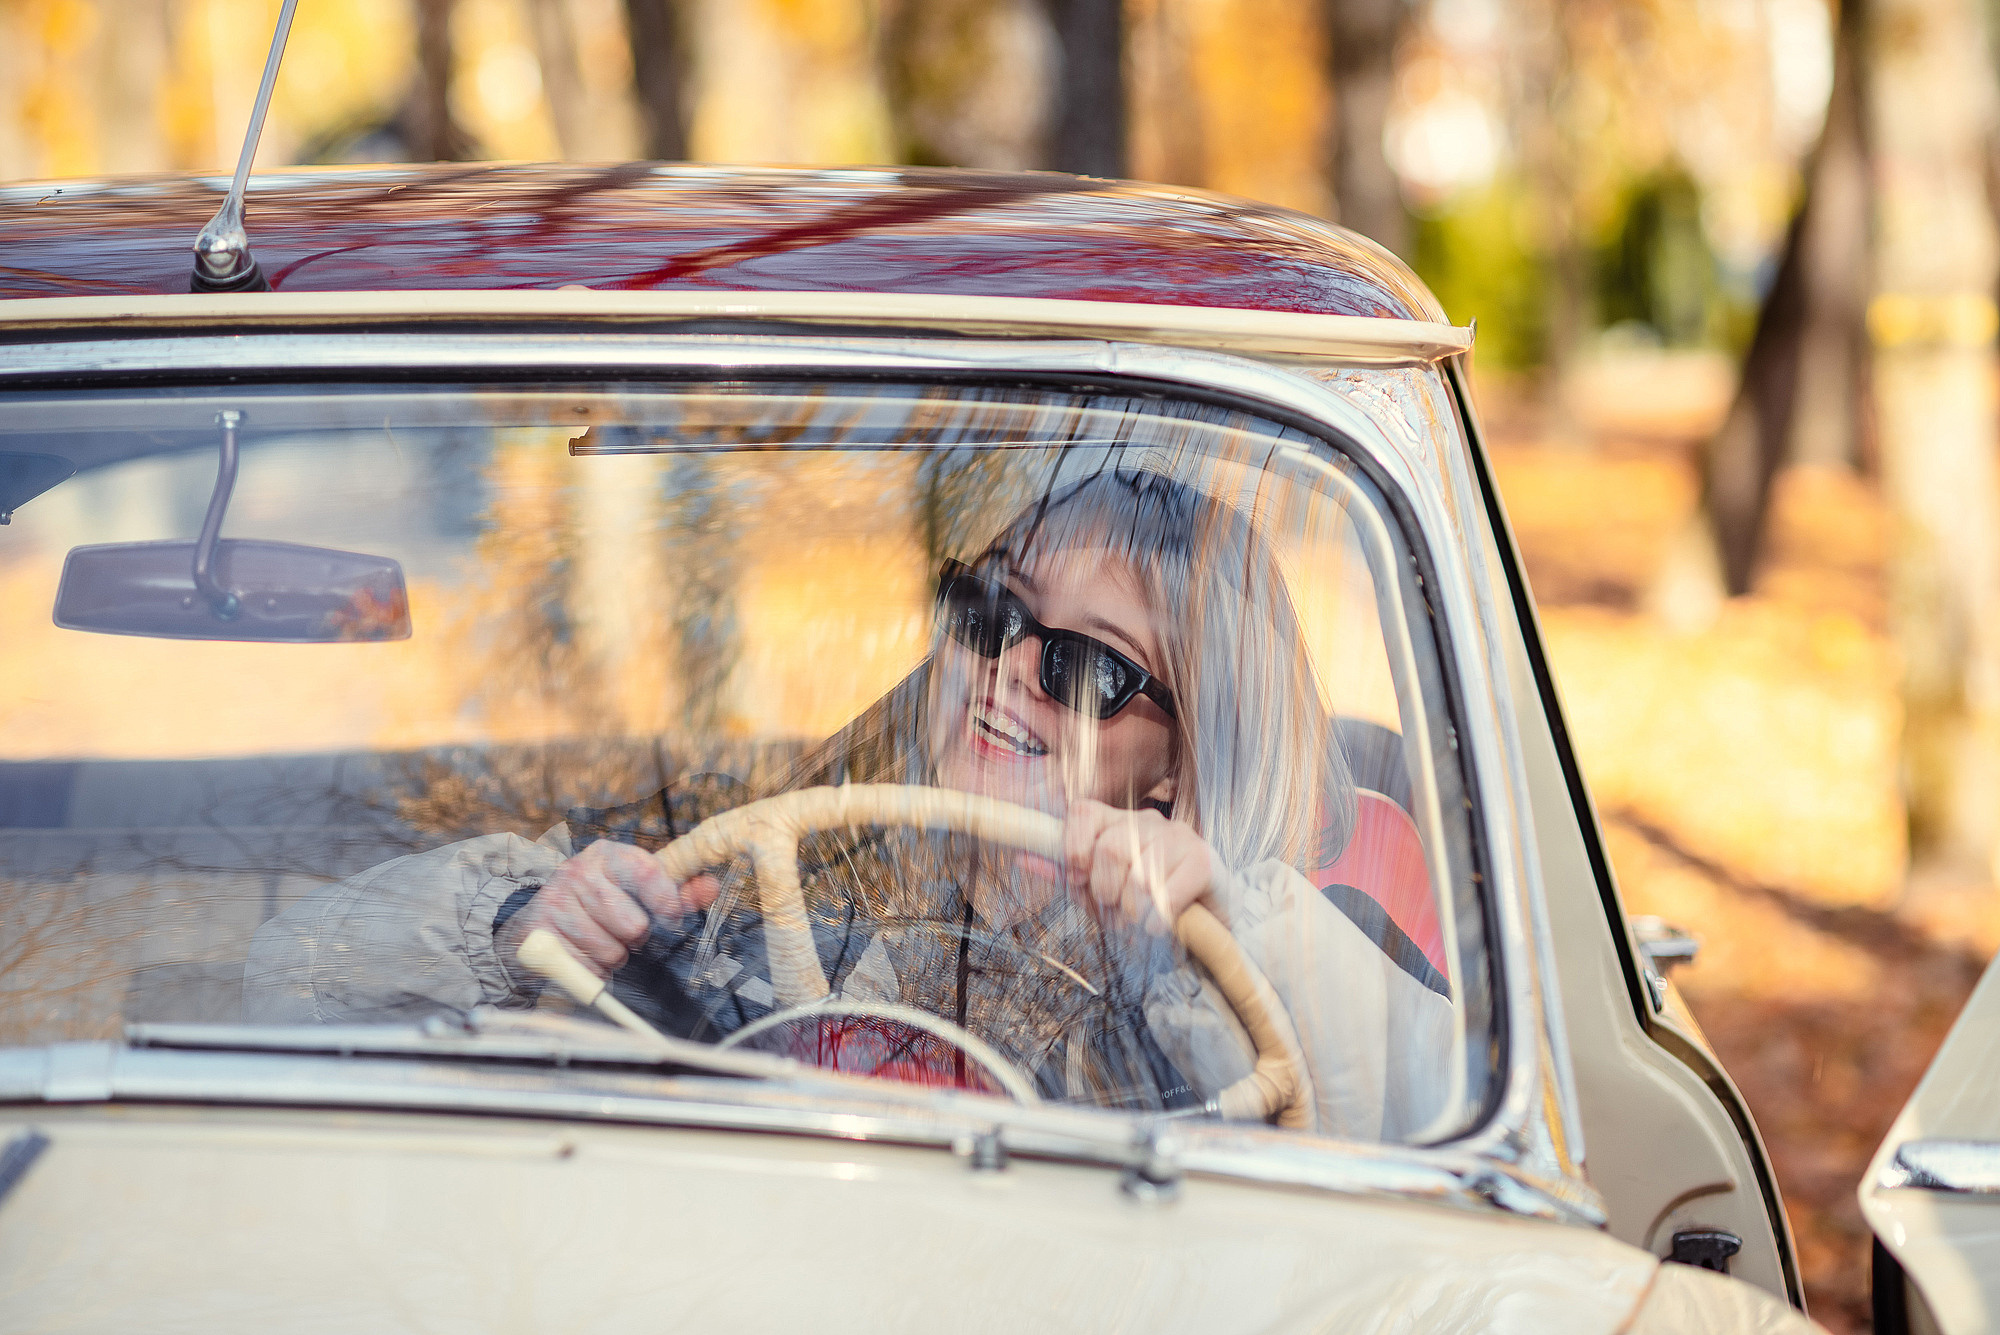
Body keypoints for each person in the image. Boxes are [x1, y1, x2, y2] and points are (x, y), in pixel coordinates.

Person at [245, 469, 1451, 1141]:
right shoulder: (784, 884)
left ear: (1178, 763)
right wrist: (518, 923)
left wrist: (1220, 921)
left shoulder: (1237, 969)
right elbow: (287, 975)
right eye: (991, 615)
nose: (1005, 674)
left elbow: (1422, 1124)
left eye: (1085, 672)